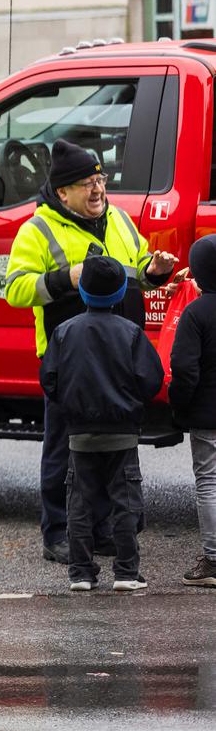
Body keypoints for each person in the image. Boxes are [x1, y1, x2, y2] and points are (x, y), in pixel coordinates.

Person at [4, 138, 176, 563]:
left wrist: (152, 273)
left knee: (113, 448)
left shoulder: (118, 219)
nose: (98, 190)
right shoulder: (37, 229)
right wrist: (66, 277)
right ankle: (58, 533)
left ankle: (101, 530)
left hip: (118, 359)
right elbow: (15, 290)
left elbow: (131, 271)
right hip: (70, 363)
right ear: (62, 192)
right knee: (65, 449)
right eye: (86, 183)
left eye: (100, 180)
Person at [40, 256, 162, 592]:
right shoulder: (131, 332)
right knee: (124, 502)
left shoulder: (65, 332)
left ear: (82, 291)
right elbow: (151, 378)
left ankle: (80, 572)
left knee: (79, 501)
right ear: (122, 292)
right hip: (122, 433)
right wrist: (133, 405)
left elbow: (49, 379)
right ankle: (125, 571)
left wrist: (70, 405)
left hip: (79, 433)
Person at [169, 234, 216, 587]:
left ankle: (213, 559)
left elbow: (185, 369)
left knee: (209, 482)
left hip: (206, 415)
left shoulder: (196, 314)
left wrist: (179, 406)